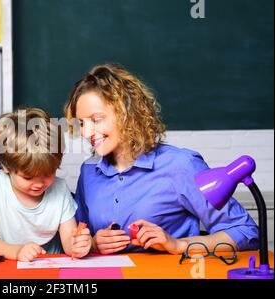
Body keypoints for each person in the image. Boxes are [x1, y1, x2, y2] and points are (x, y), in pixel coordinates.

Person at [64, 63, 259, 255]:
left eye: (96, 120)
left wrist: (178, 244)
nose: (86, 132)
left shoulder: (180, 165)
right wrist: (93, 243)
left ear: (127, 114)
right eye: (81, 123)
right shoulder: (89, 171)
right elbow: (80, 236)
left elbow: (246, 231)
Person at [0, 108, 92, 261]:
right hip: (9, 267)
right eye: (28, 177)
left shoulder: (59, 189)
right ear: (6, 166)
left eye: (48, 174)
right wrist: (17, 251)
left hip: (52, 268)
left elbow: (68, 241)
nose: (39, 184)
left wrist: (77, 244)